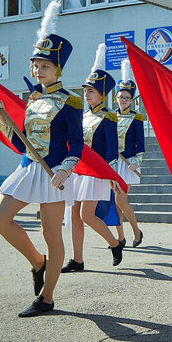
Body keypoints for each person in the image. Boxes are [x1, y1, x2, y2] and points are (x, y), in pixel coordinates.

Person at [0, 0, 83, 317]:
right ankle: (37, 261)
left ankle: (47, 297)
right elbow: (21, 143)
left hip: (53, 173)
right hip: (28, 168)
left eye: (44, 65)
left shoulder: (70, 100)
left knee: (52, 235)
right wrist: (3, 117)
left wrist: (66, 171)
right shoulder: (33, 100)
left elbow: (77, 143)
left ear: (57, 67)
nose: (38, 70)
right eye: (35, 65)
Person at [62, 44, 126, 273]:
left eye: (90, 90)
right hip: (78, 170)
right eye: (85, 90)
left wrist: (112, 174)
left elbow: (111, 148)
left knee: (86, 215)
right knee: (75, 215)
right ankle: (77, 260)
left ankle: (115, 243)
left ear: (101, 93)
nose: (86, 94)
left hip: (96, 172)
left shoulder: (108, 117)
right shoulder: (82, 115)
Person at [113, 59, 145, 248]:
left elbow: (140, 144)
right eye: (121, 96)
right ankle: (121, 237)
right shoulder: (110, 116)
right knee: (116, 203)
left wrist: (137, 162)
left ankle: (136, 231)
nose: (124, 100)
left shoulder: (137, 118)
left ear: (131, 99)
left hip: (128, 163)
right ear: (116, 97)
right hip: (113, 163)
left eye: (127, 97)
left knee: (120, 199)